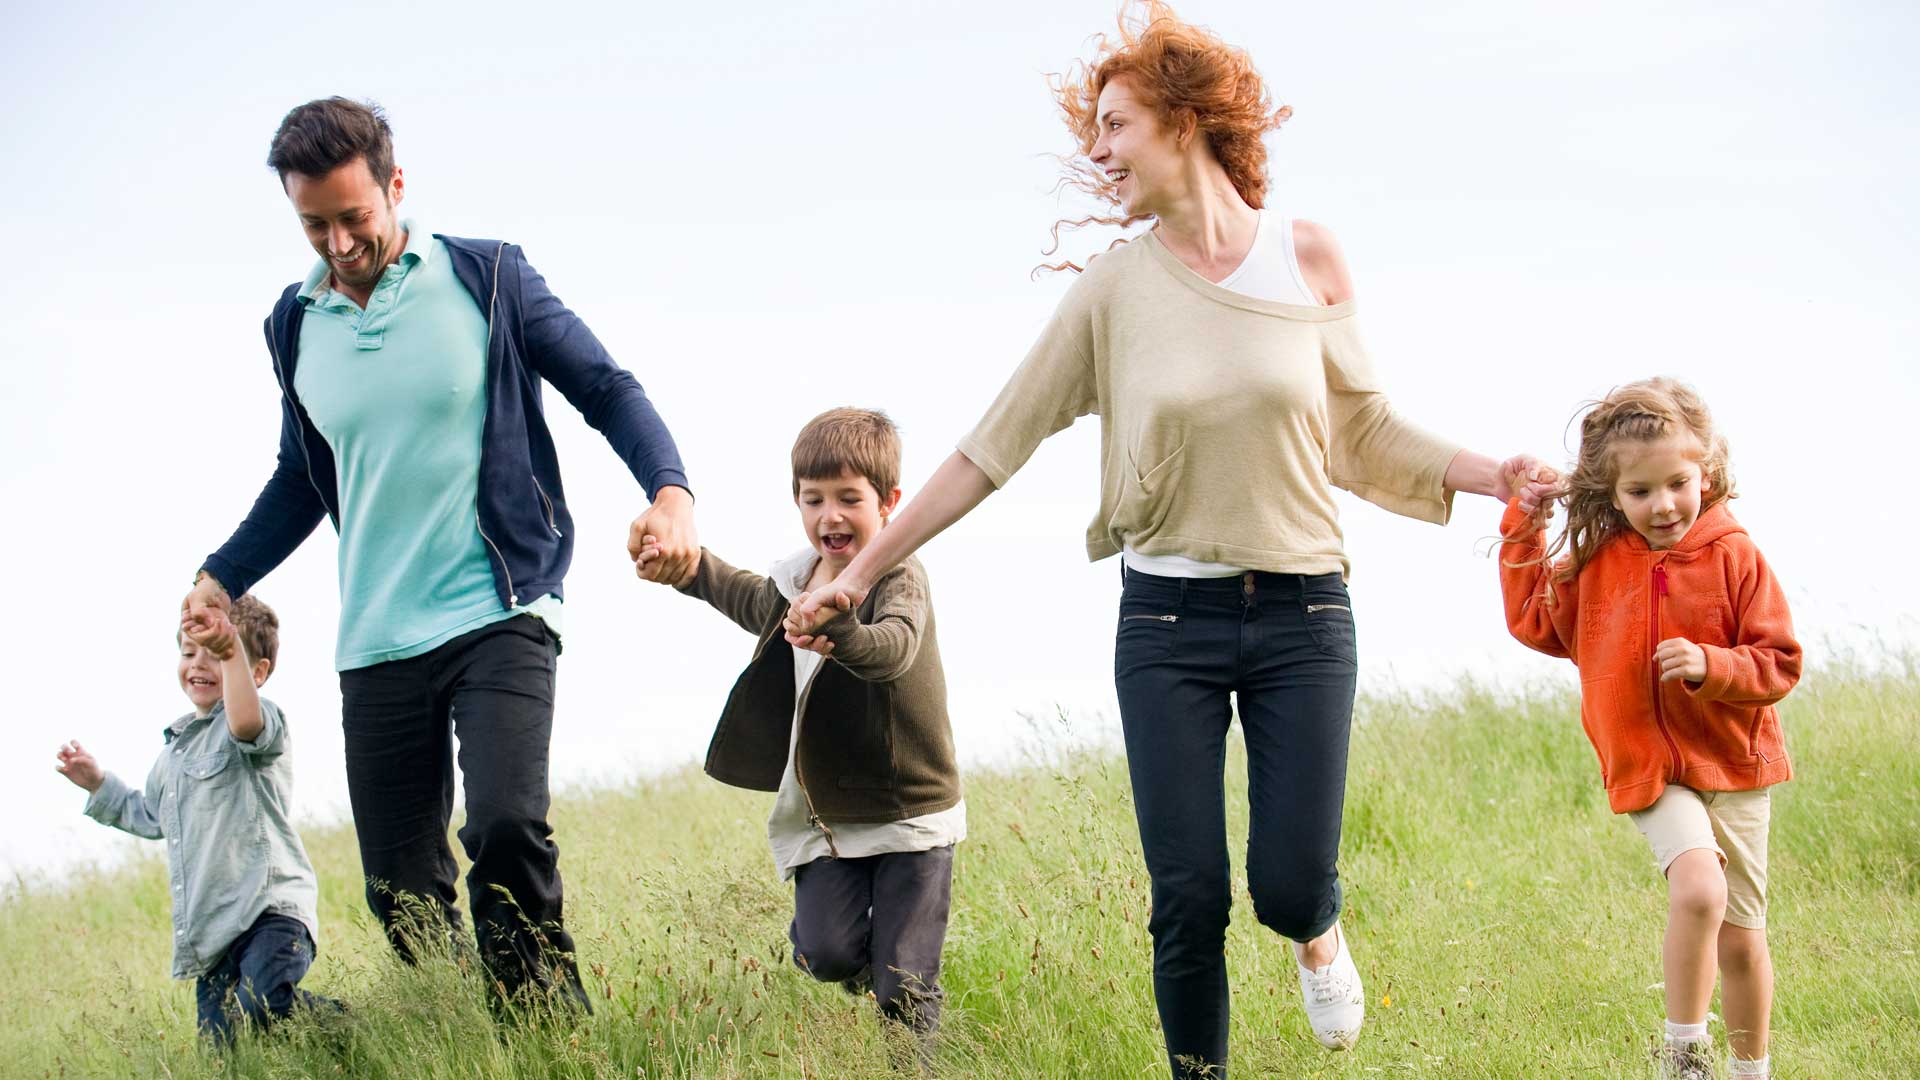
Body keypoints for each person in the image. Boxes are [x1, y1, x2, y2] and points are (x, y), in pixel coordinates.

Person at [783, 5, 1547, 1074]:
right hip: (1166, 623)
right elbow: (985, 448)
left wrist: (1491, 472)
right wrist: (858, 574)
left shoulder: (1307, 254)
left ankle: (1317, 927)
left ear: (1185, 121)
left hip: (1304, 613)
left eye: (1115, 124)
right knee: (1187, 896)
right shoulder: (1112, 291)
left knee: (1282, 885)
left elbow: (1362, 428)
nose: (1097, 151)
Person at [179, 96, 699, 1009]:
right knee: (401, 896)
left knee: (503, 825)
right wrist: (219, 575)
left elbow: (606, 387)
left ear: (396, 186)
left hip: (498, 606)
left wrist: (669, 491)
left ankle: (551, 1042)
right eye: (314, 225)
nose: (338, 243)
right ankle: (464, 1030)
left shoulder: (486, 277)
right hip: (376, 636)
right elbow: (303, 478)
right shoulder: (294, 325)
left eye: (354, 217)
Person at [638, 408, 963, 1065]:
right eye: (813, 500)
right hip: (828, 815)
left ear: (889, 503)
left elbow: (892, 651)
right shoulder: (795, 582)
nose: (830, 516)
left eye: (850, 499)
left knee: (904, 980)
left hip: (909, 811)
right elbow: (744, 597)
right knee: (826, 953)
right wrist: (687, 566)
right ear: (797, 502)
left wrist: (840, 630)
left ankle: (911, 1038)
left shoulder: (899, 576)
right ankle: (884, 976)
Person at [1498, 377, 1797, 1080]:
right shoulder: (1600, 563)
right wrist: (1524, 525)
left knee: (1743, 941)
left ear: (1707, 472)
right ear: (1612, 493)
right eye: (1640, 492)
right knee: (1699, 887)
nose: (1663, 504)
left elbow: (1779, 661)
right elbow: (1535, 621)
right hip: (1649, 766)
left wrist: (1711, 665)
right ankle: (1683, 1057)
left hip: (1736, 767)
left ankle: (1753, 1071)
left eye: (1678, 483)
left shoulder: (1735, 555)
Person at [56, 596, 342, 1044]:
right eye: (190, 652)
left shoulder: (256, 719)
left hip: (269, 912)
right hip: (211, 932)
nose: (200, 663)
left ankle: (352, 1027)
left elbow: (245, 725)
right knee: (222, 1052)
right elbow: (153, 817)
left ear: (258, 672)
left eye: (221, 653)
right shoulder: (173, 753)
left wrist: (232, 658)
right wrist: (98, 784)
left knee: (263, 1004)